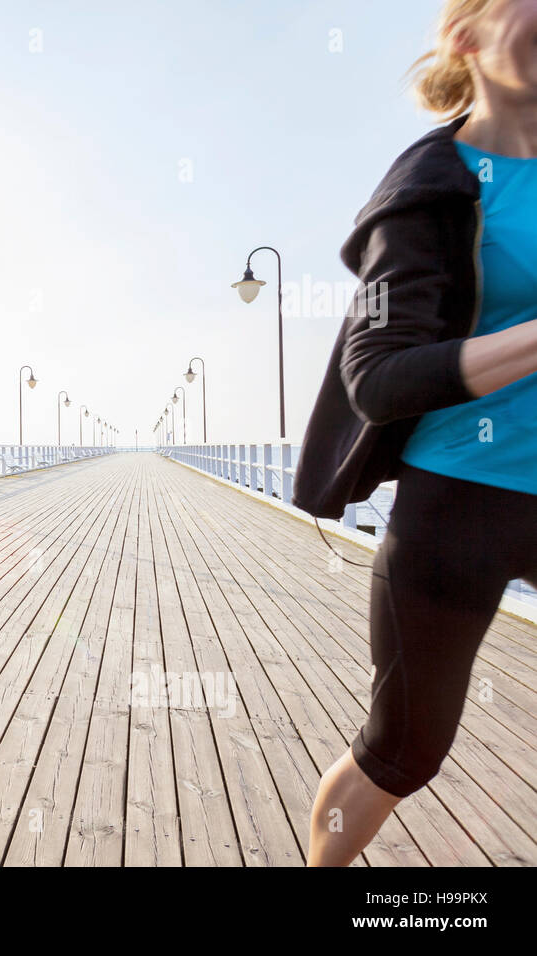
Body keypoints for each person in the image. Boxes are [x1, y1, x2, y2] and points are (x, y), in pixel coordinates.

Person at [293, 0, 537, 866]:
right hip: (457, 509)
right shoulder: (432, 186)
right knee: (402, 753)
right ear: (466, 39)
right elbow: (379, 377)